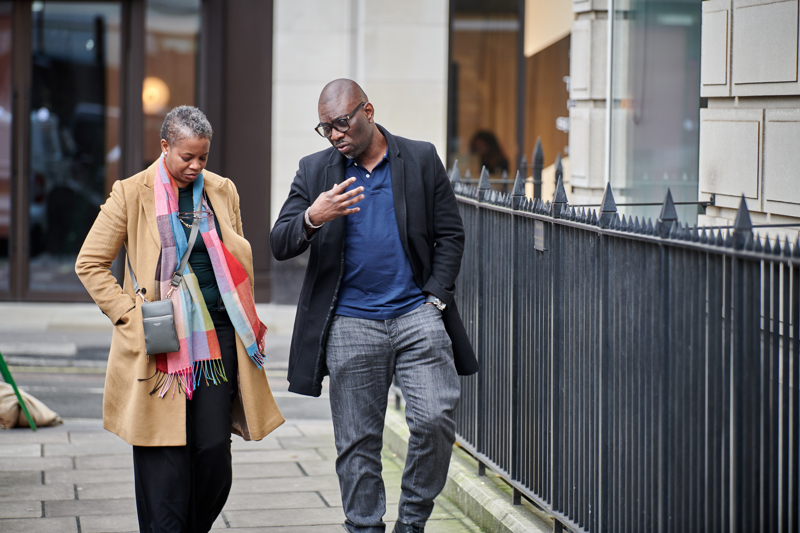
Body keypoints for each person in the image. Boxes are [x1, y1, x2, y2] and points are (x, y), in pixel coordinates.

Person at [270, 79, 478, 533]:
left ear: (368, 110)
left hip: (416, 316)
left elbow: (451, 235)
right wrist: (312, 217)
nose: (335, 135)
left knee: (435, 419)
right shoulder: (315, 171)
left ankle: (412, 522)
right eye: (325, 128)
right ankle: (364, 527)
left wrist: (436, 298)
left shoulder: (419, 158)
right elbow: (279, 242)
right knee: (358, 441)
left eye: (342, 122)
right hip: (350, 323)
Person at [76, 106, 284, 533]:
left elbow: (233, 258)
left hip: (217, 338)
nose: (195, 166)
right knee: (163, 453)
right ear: (165, 146)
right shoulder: (131, 193)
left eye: (203, 158)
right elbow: (90, 263)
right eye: (187, 157)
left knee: (212, 450)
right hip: (159, 338)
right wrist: (132, 317)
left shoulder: (222, 190)